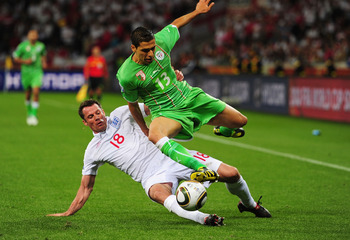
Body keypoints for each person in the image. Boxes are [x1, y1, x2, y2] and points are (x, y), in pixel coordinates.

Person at [46, 99, 271, 226]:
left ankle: (249, 205)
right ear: (85, 123)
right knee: (158, 194)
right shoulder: (92, 151)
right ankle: (204, 218)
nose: (97, 117)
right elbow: (86, 187)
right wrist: (68, 212)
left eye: (98, 112)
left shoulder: (122, 113)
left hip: (172, 155)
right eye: (91, 117)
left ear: (103, 110)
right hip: (151, 176)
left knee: (232, 173)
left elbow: (153, 106)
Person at [117, 0, 246, 182]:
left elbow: (175, 24)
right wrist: (144, 129)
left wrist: (196, 12)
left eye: (152, 49)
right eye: (145, 51)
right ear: (133, 48)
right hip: (165, 111)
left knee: (241, 121)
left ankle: (221, 128)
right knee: (155, 135)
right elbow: (132, 105)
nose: (151, 54)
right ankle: (199, 168)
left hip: (189, 96)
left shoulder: (161, 42)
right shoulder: (127, 75)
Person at [13, 29, 47, 126]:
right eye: (31, 35)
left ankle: (34, 115)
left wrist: (44, 62)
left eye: (35, 35)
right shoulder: (23, 46)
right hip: (26, 73)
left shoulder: (41, 46)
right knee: (28, 93)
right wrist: (24, 61)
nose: (33, 36)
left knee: (36, 92)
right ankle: (29, 112)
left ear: (37, 36)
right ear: (28, 36)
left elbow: (43, 55)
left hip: (37, 72)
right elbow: (15, 57)